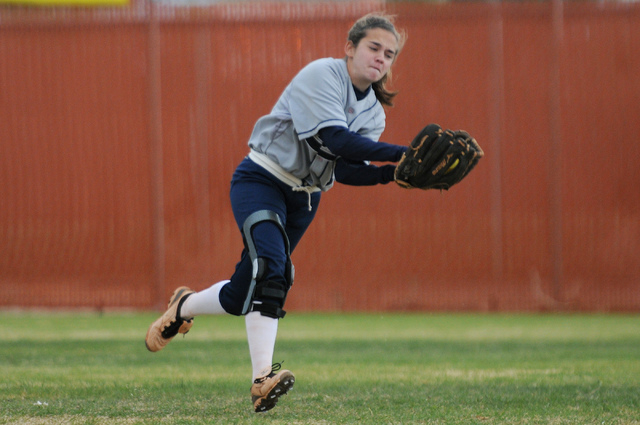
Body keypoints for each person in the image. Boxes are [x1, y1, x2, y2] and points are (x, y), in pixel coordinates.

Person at [145, 12, 407, 413]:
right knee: (271, 270)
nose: (381, 59)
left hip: (304, 199)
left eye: (389, 54)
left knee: (241, 293)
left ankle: (184, 306)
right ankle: (261, 381)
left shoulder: (374, 113)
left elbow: (348, 168)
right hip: (262, 179)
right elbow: (333, 138)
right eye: (374, 48)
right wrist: (403, 155)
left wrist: (394, 175)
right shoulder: (322, 75)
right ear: (350, 48)